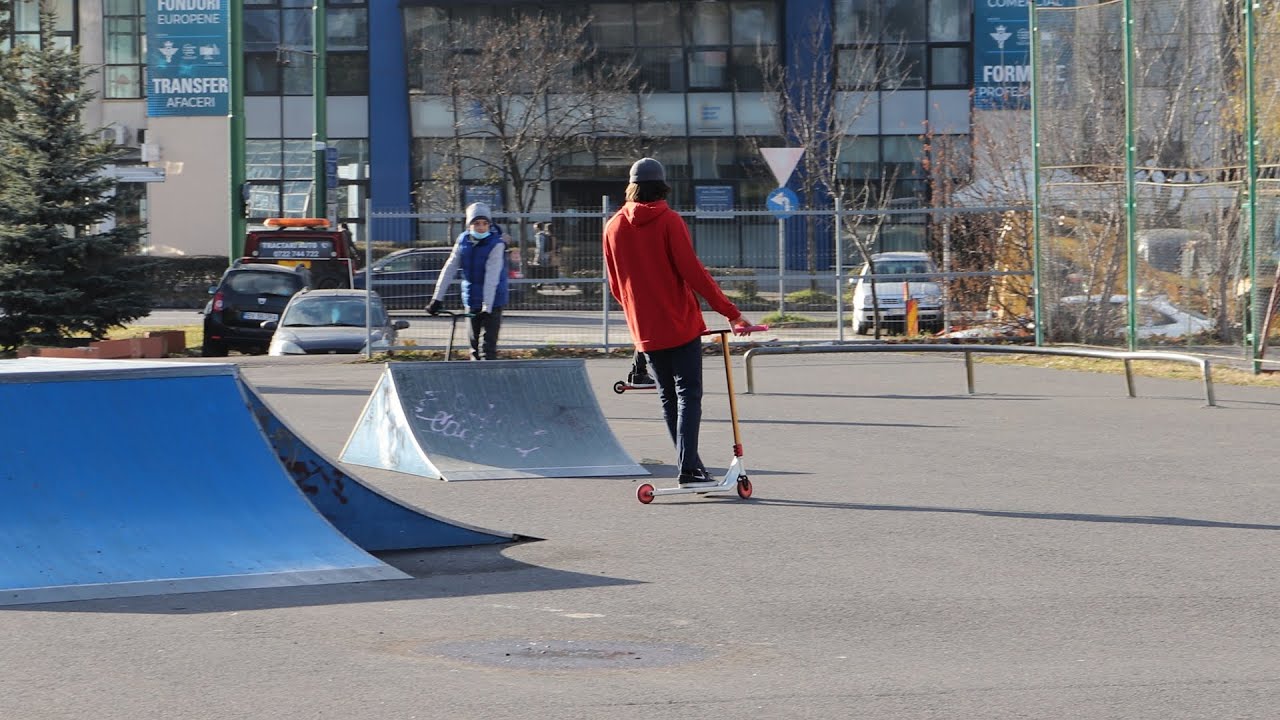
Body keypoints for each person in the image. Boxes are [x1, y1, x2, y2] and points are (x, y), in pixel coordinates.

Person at [603, 157, 753, 486]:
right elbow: (694, 273)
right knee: (688, 395)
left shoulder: (612, 227)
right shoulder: (669, 221)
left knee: (668, 397)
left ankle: (691, 466)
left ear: (631, 187)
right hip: (679, 324)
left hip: (645, 330)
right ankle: (688, 469)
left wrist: (637, 315)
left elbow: (616, 286)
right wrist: (731, 312)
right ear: (662, 186)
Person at [427, 202, 509, 360]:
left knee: (488, 349)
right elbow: (449, 268)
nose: (481, 227)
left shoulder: (496, 244)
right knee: (473, 347)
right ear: (469, 225)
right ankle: (474, 376)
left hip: (493, 299)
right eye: (476, 223)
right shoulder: (463, 241)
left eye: (485, 224)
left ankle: (488, 377)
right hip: (471, 298)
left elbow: (492, 277)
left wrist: (487, 306)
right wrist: (436, 299)